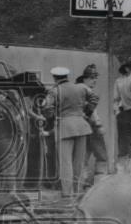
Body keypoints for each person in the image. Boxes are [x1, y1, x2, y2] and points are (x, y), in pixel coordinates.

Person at [43, 66, 93, 198]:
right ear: (67, 76)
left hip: (64, 126)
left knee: (65, 162)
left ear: (54, 77)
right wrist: (86, 113)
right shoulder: (81, 87)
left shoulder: (54, 91)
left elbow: (47, 108)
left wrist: (53, 117)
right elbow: (94, 98)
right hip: (81, 125)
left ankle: (67, 193)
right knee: (79, 161)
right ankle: (78, 191)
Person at [77, 65, 108, 188]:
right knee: (102, 157)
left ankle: (80, 185)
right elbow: (92, 111)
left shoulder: (77, 89)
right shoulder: (87, 91)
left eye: (95, 78)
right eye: (92, 78)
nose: (94, 80)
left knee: (83, 158)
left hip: (81, 127)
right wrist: (99, 124)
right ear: (85, 78)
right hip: (92, 126)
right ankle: (99, 187)